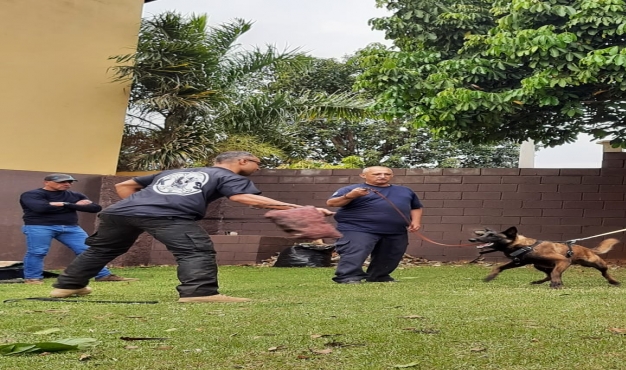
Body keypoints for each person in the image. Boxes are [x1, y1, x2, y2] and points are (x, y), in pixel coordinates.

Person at [50, 151, 333, 303]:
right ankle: (200, 293)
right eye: (256, 164)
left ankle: (67, 286)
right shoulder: (226, 175)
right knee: (196, 250)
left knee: (101, 250)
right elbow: (244, 198)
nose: (257, 169)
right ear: (242, 161)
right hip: (166, 216)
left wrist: (142, 206)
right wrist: (299, 208)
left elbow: (126, 185)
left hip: (120, 212)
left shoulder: (177, 171)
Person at [20, 174, 138, 285]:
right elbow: (40, 208)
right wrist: (75, 205)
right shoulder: (32, 194)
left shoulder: (74, 195)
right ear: (47, 182)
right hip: (39, 226)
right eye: (62, 182)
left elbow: (95, 208)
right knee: (38, 251)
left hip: (71, 227)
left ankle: (103, 275)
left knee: (89, 250)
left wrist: (64, 204)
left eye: (70, 182)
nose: (67, 184)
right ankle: (32, 278)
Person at [326, 166, 423, 284]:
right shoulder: (352, 189)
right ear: (363, 176)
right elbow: (331, 203)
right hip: (358, 229)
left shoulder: (405, 191)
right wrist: (350, 196)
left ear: (392, 176)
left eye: (386, 174)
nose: (382, 176)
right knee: (355, 253)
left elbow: (416, 207)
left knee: (391, 255)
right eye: (377, 174)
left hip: (395, 230)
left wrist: (416, 221)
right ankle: (348, 277)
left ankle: (378, 276)